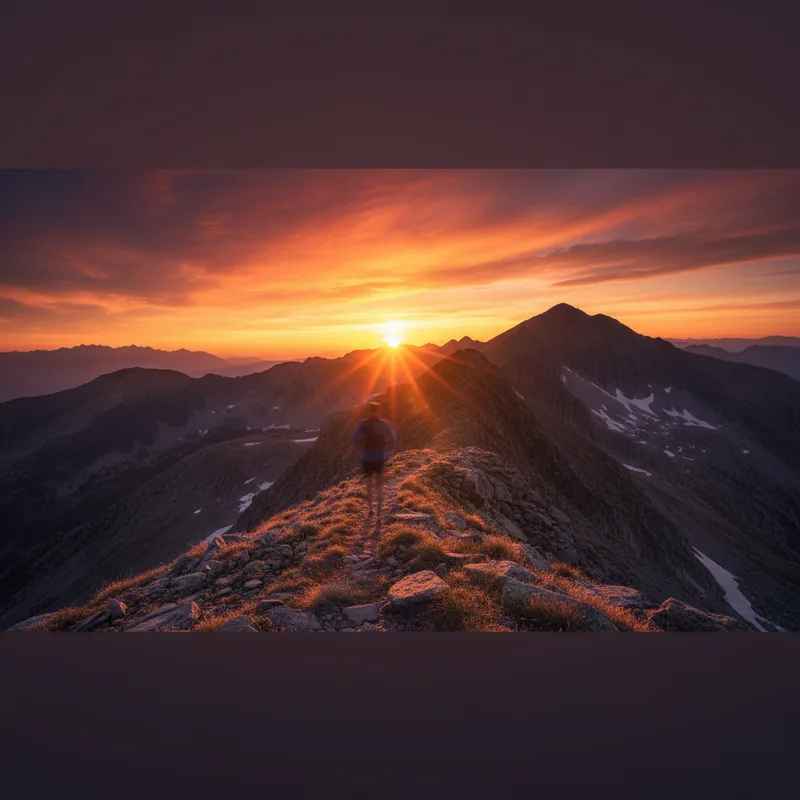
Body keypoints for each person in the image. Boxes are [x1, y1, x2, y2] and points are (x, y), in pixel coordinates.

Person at [350, 401, 397, 518]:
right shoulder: (384, 424)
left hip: (367, 457)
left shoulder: (362, 424)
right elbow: (392, 440)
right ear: (378, 411)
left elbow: (353, 439)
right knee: (379, 482)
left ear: (368, 411)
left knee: (369, 483)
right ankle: (380, 509)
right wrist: (383, 441)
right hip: (379, 457)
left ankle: (371, 509)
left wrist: (364, 439)